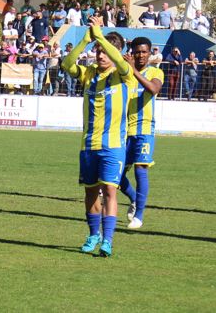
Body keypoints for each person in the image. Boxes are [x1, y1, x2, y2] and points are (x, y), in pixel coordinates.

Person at [62, 16, 134, 257]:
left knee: (110, 190)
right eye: (98, 51)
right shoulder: (89, 73)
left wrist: (101, 35)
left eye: (104, 52)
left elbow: (122, 64)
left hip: (113, 145)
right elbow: (67, 64)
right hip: (88, 145)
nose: (100, 56)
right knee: (91, 192)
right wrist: (86, 38)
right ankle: (93, 235)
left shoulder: (124, 75)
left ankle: (108, 240)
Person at [118, 36, 165, 230]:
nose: (141, 55)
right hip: (123, 129)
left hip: (145, 129)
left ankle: (138, 216)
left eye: (144, 52)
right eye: (137, 52)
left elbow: (153, 88)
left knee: (140, 169)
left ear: (150, 52)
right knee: (116, 174)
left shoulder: (156, 72)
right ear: (132, 52)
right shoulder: (124, 74)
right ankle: (135, 198)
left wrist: (133, 70)